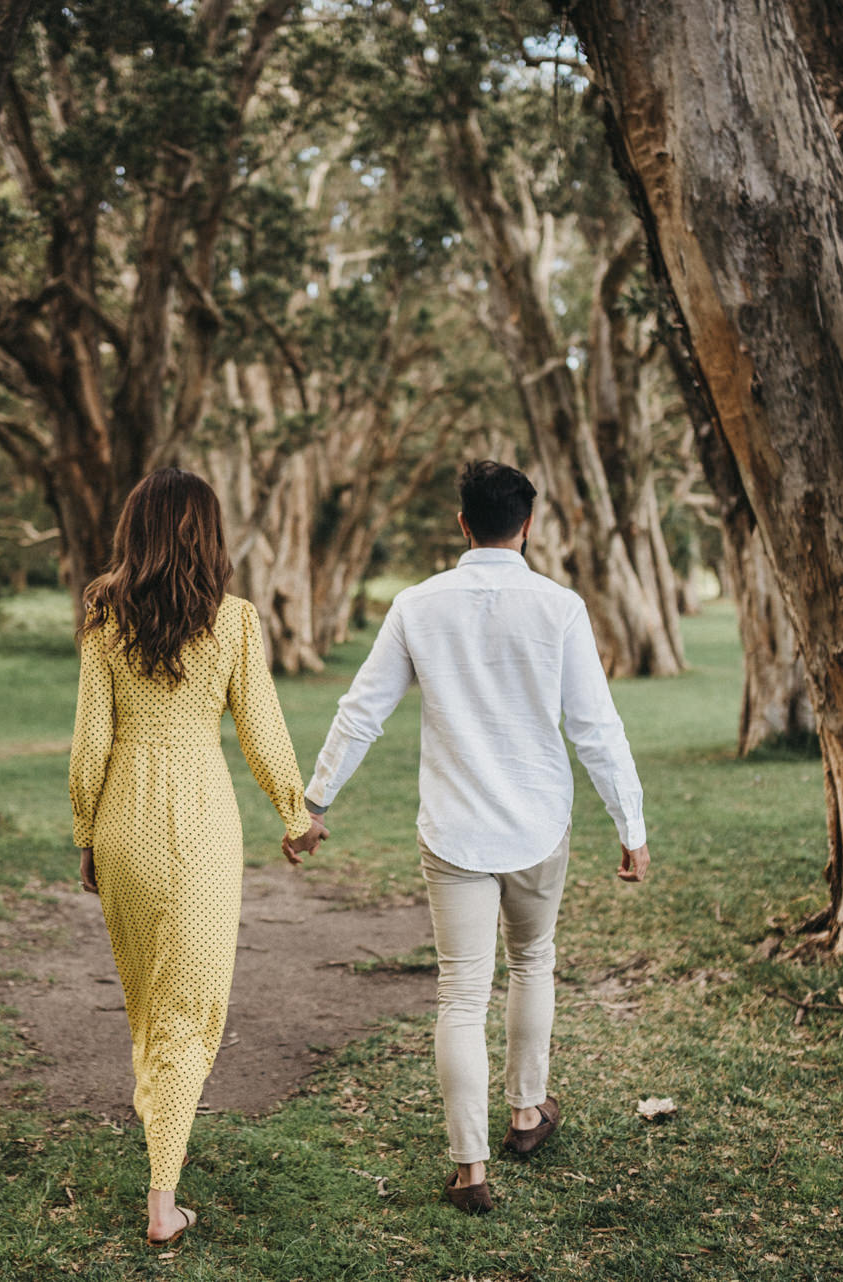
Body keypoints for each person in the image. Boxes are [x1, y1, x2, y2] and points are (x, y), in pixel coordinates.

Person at [303, 459, 649, 1213]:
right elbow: (594, 728)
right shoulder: (559, 607)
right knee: (533, 961)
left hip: (454, 830)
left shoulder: (417, 605)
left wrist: (316, 798)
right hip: (537, 825)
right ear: (528, 524)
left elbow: (363, 710)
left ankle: (470, 1169)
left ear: (462, 522)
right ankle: (527, 1113)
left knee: (461, 996)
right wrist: (632, 824)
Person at [68, 468, 329, 1246]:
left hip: (125, 818)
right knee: (190, 1007)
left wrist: (86, 833)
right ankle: (162, 1203)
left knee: (151, 999)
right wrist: (296, 813)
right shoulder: (235, 620)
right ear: (206, 533)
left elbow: (91, 743)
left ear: (135, 528)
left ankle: (162, 1134)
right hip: (202, 819)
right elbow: (261, 728)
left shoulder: (104, 613)